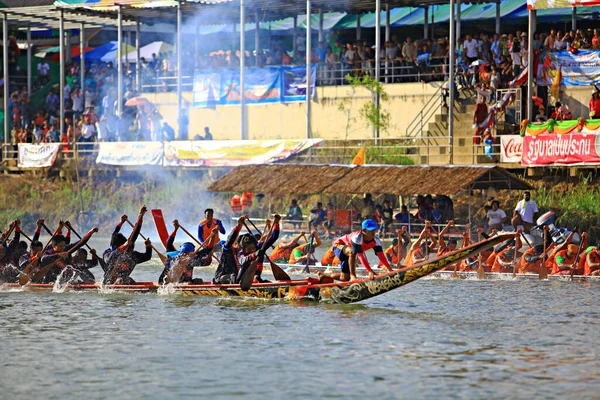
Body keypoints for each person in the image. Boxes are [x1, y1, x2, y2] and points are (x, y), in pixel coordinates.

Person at [317, 219, 392, 282]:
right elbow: (360, 256)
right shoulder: (357, 238)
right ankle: (353, 276)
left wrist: (390, 269)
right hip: (338, 245)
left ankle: (322, 274)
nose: (373, 232)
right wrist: (370, 271)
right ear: (364, 231)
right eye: (371, 230)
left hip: (348, 252)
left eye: (374, 230)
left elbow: (381, 256)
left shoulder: (376, 240)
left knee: (344, 278)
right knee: (352, 252)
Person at [104, 206, 152, 285]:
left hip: (123, 280)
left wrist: (148, 246)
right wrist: (123, 247)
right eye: (127, 250)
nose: (130, 252)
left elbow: (147, 256)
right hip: (108, 283)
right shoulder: (109, 254)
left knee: (126, 280)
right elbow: (109, 258)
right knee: (120, 280)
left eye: (131, 250)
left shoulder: (133, 256)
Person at [236, 214, 281, 283]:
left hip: (256, 278)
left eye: (253, 248)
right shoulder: (241, 253)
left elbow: (273, 237)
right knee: (255, 278)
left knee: (256, 278)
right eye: (249, 249)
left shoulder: (259, 247)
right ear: (244, 248)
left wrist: (277, 223)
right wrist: (254, 254)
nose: (252, 250)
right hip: (242, 281)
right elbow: (242, 261)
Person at [213, 215, 246, 284]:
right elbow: (230, 239)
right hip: (220, 278)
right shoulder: (227, 250)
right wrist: (239, 225)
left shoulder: (241, 253)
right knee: (234, 276)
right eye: (241, 246)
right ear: (236, 244)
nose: (241, 248)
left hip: (234, 278)